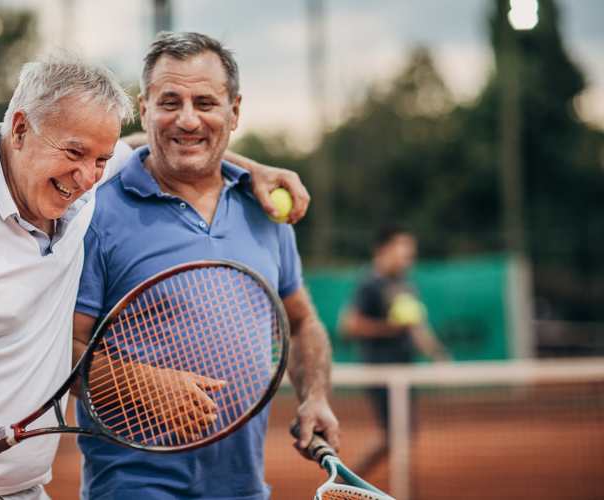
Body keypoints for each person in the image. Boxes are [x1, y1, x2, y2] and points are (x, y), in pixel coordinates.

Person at [0, 52, 311, 500]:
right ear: (21, 128)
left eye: (99, 159)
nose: (88, 175)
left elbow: (153, 146)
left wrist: (254, 169)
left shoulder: (76, 182)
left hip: (20, 486)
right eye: (73, 153)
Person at [72, 32, 339, 500]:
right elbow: (59, 350)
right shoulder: (96, 214)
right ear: (145, 108)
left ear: (234, 111)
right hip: (135, 487)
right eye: (170, 101)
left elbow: (302, 322)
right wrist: (140, 384)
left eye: (206, 103)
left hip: (243, 487)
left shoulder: (267, 212)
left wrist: (314, 396)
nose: (188, 119)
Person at [339, 225, 448, 475]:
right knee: (396, 434)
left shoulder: (405, 284)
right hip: (381, 371)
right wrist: (391, 328)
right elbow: (350, 325)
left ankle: (386, 485)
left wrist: (437, 356)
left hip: (405, 370)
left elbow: (416, 327)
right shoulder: (369, 283)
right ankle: (347, 482)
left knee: (403, 433)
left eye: (410, 253)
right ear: (383, 250)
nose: (407, 258)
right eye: (402, 251)